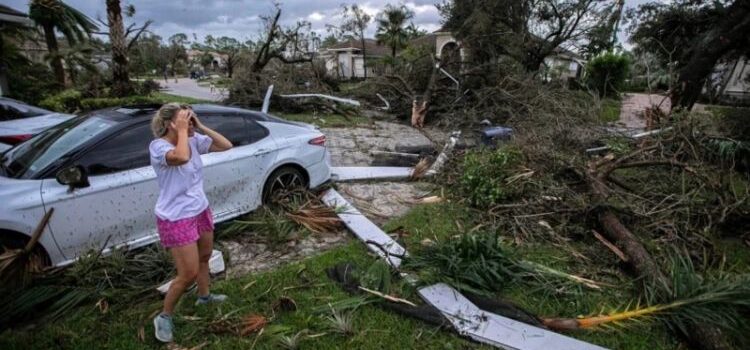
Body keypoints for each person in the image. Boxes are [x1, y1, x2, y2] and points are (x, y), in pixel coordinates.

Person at [149, 103, 233, 342]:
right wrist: (184, 132)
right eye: (184, 119)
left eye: (190, 118)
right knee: (188, 273)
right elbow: (181, 157)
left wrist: (199, 126)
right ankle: (164, 316)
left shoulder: (193, 140)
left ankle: (204, 296)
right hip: (176, 217)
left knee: (205, 256)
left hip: (199, 209)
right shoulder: (158, 147)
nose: (189, 122)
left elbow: (226, 145)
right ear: (170, 124)